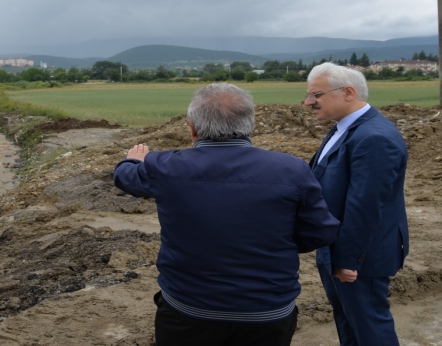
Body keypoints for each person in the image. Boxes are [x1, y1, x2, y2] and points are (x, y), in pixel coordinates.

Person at [114, 83, 340, 346]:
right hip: (267, 311)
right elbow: (321, 231)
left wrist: (133, 160)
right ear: (249, 125)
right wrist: (277, 243)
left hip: (190, 309)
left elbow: (124, 177)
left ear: (193, 128)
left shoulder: (166, 167)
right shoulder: (293, 169)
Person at [304, 62, 409, 346]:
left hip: (361, 255)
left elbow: (365, 205)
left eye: (316, 95)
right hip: (338, 249)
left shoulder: (374, 137)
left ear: (348, 92)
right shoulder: (344, 128)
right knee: (349, 321)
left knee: (369, 325)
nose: (308, 102)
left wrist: (348, 259)